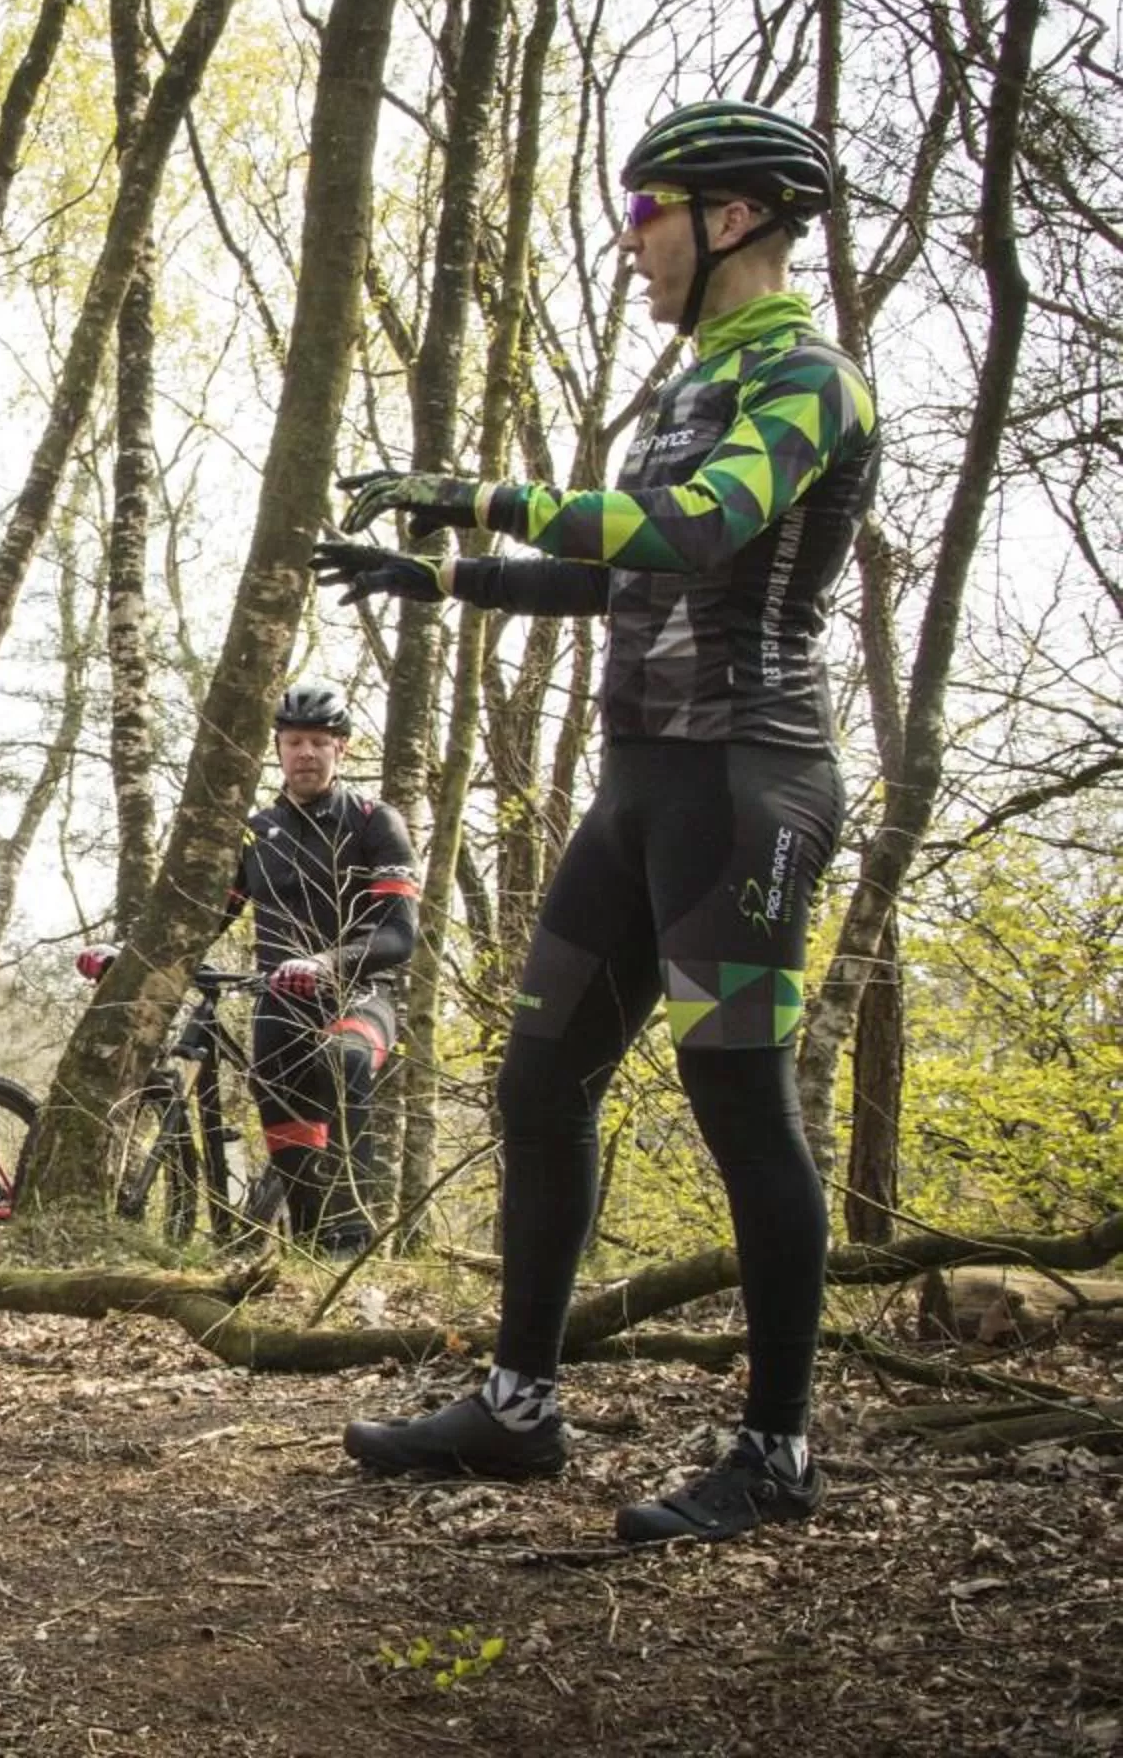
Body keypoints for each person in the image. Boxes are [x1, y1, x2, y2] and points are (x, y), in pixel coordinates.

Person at [319, 100, 876, 1544]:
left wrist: (488, 493)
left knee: (740, 1101)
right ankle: (519, 1409)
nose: (630, 245)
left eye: (647, 213)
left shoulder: (809, 381)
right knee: (536, 1083)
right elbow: (626, 573)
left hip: (750, 783)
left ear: (732, 217)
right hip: (641, 783)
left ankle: (778, 1453)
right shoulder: (691, 393)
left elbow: (695, 532)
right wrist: (437, 572)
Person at [223, 680, 419, 1254]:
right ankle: (310, 1248)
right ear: (278, 749)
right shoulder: (256, 834)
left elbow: (397, 934)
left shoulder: (373, 821)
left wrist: (326, 961)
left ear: (342, 750)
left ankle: (353, 1237)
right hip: (279, 1004)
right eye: (294, 742)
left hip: (362, 997)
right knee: (284, 1118)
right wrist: (127, 953)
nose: (306, 753)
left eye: (319, 742)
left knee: (342, 1061)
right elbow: (203, 919)